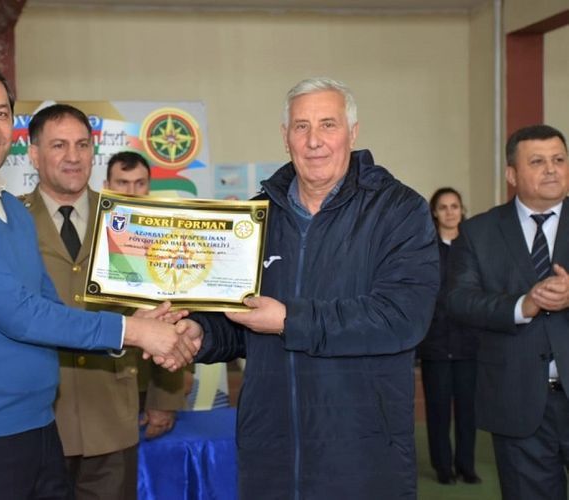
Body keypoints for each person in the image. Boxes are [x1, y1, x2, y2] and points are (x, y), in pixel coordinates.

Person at [0, 64, 195, 500]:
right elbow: (15, 312)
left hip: (39, 425)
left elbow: (51, 309)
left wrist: (141, 323)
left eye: (1, 113)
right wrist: (135, 331)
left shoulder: (11, 209)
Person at [175, 77, 439, 499]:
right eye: (302, 126)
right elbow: (241, 320)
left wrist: (288, 320)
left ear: (353, 133)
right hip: (271, 451)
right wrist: (200, 333)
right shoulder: (254, 217)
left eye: (328, 125)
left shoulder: (399, 211)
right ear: (286, 137)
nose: (314, 140)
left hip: (364, 453)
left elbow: (401, 317)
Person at [21, 110, 185, 499]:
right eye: (59, 145)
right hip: (38, 414)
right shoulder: (9, 220)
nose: (73, 156)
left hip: (111, 412)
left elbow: (165, 309)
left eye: (82, 145)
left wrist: (165, 396)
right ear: (34, 155)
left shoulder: (130, 219)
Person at [447, 124, 569, 500]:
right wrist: (521, 305)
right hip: (517, 401)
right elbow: (458, 300)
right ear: (512, 174)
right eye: (538, 162)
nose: (551, 169)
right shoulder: (479, 232)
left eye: (559, 159)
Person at [103, 151, 186, 440]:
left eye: (139, 183)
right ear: (106, 186)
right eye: (122, 183)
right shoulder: (90, 235)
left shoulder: (166, 238)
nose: (132, 192)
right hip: (96, 383)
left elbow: (176, 319)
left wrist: (165, 399)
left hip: (147, 380)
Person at [417, 187, 480, 485]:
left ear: (462, 210)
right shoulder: (425, 249)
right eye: (443, 207)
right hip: (435, 344)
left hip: (469, 344)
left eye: (454, 206)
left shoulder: (473, 247)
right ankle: (443, 467)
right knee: (438, 410)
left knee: (468, 411)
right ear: (434, 212)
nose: (450, 212)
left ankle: (466, 466)